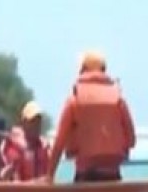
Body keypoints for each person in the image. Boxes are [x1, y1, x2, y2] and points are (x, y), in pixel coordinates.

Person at [46, 51, 136, 183]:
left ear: (83, 70)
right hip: (112, 176)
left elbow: (59, 143)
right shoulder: (118, 100)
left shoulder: (74, 100)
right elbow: (131, 140)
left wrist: (49, 175)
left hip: (85, 177)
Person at [3, 101, 50, 181]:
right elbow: (14, 181)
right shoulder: (14, 146)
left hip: (40, 188)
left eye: (39, 121)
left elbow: (50, 175)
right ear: (24, 122)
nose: (36, 125)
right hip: (22, 188)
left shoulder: (45, 147)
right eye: (32, 121)